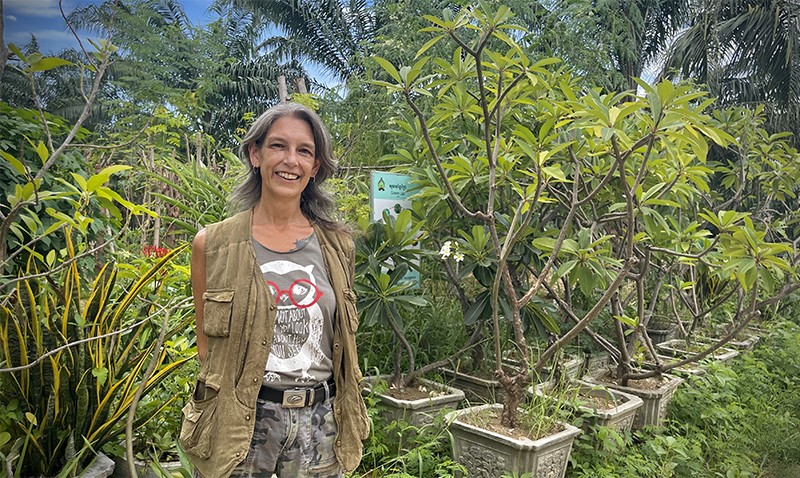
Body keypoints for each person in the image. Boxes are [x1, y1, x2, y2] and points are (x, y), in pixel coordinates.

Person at [179, 102, 370, 478]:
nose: (290, 161)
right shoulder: (213, 245)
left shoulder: (337, 245)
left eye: (304, 151)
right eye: (278, 146)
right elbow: (207, 347)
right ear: (255, 153)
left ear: (315, 167)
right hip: (241, 425)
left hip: (320, 426)